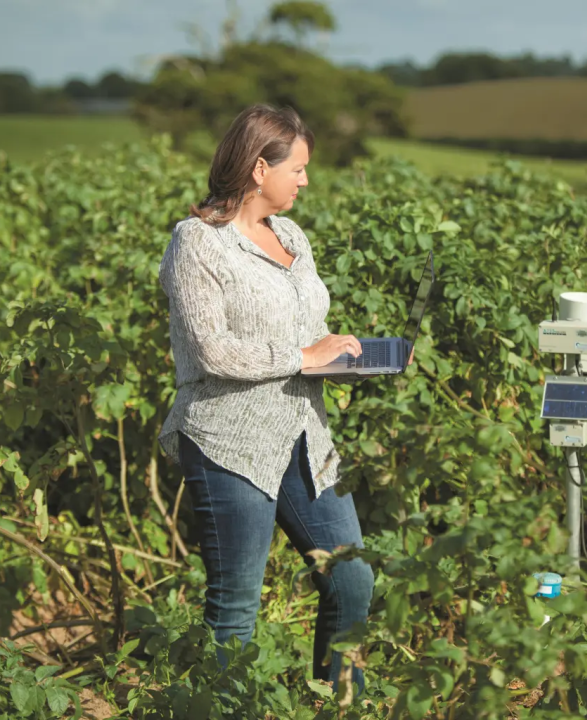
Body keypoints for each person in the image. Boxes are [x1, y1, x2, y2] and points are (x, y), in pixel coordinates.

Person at [156, 104, 413, 700]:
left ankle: (339, 702)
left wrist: (346, 357)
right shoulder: (197, 243)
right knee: (236, 607)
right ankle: (225, 710)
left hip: (303, 433)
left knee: (351, 578)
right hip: (228, 441)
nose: (305, 180)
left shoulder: (291, 236)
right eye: (296, 168)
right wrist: (304, 355)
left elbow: (307, 331)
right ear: (257, 168)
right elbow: (213, 351)